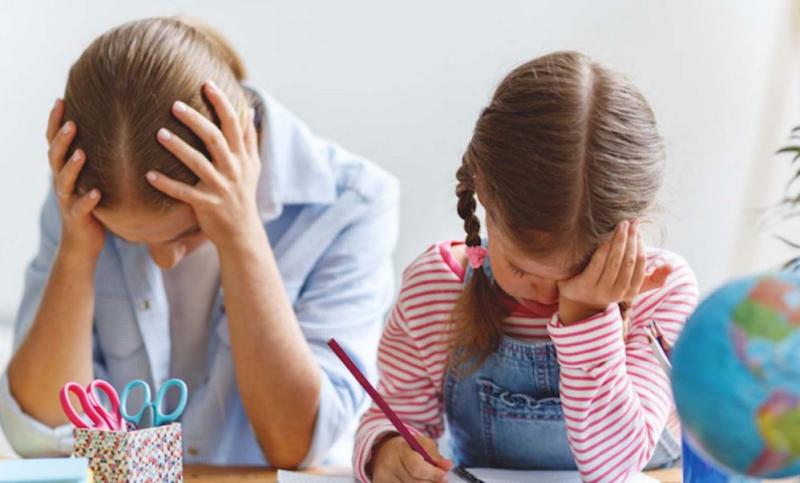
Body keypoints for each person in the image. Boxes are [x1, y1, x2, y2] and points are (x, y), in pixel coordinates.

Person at [0, 16, 398, 468]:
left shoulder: (353, 202)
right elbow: (40, 439)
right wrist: (77, 250)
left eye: (188, 232)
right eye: (127, 237)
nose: (163, 259)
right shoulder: (85, 197)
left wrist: (241, 235)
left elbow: (296, 448)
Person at [354, 51, 699, 482]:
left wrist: (587, 315)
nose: (549, 293)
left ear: (633, 229)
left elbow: (615, 470)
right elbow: (392, 417)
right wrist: (387, 450)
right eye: (521, 269)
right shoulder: (436, 289)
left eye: (577, 272)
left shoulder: (661, 292)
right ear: (482, 195)